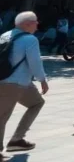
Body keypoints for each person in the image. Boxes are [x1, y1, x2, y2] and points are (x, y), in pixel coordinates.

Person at [0, 12, 48, 154]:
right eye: (35, 22)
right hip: (14, 83)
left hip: (15, 82)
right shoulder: (30, 39)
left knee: (37, 103)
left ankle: (17, 140)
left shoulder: (5, 35)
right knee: (2, 116)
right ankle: (15, 140)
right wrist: (43, 80)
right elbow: (35, 62)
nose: (37, 24)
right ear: (27, 24)